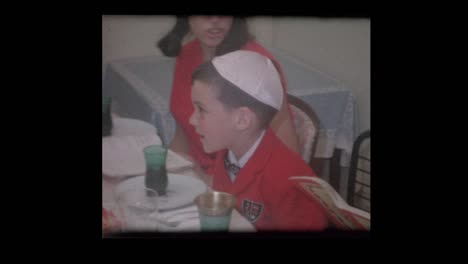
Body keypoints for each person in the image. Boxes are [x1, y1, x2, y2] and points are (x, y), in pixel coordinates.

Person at [188, 50, 327, 231]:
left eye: (201, 110)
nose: (192, 119)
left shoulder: (289, 183)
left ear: (242, 119)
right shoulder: (228, 151)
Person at [157, 16, 299, 171]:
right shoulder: (187, 55)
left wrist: (205, 180)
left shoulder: (256, 66)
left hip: (241, 182)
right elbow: (183, 136)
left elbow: (286, 155)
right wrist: (164, 170)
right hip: (194, 173)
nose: (215, 19)